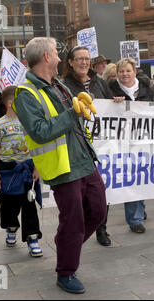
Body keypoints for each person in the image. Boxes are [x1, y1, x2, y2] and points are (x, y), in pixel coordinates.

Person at [14, 37, 107, 294]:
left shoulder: (59, 85)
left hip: (84, 160)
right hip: (63, 168)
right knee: (74, 220)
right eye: (55, 53)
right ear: (45, 57)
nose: (58, 57)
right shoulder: (26, 94)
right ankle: (65, 272)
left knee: (99, 212)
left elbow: (74, 122)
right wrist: (72, 114)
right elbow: (40, 131)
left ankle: (67, 241)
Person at [62, 45, 113, 247]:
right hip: (80, 145)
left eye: (87, 59)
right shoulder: (64, 85)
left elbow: (111, 104)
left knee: (101, 191)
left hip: (103, 143)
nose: (84, 62)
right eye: (79, 59)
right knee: (84, 195)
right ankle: (77, 233)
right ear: (71, 62)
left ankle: (101, 228)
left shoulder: (99, 82)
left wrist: (117, 101)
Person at [108, 58, 154, 233]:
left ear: (134, 72)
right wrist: (111, 103)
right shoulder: (110, 90)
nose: (125, 74)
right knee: (131, 176)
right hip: (123, 142)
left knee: (142, 175)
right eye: (121, 71)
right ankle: (135, 219)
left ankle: (140, 206)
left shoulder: (146, 89)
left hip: (144, 140)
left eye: (128, 71)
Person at [0, 85, 43, 256]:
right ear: (12, 103)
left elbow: (36, 146)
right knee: (9, 204)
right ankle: (11, 227)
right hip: (8, 171)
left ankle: (32, 238)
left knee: (29, 204)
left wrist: (36, 167)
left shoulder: (28, 122)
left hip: (27, 169)